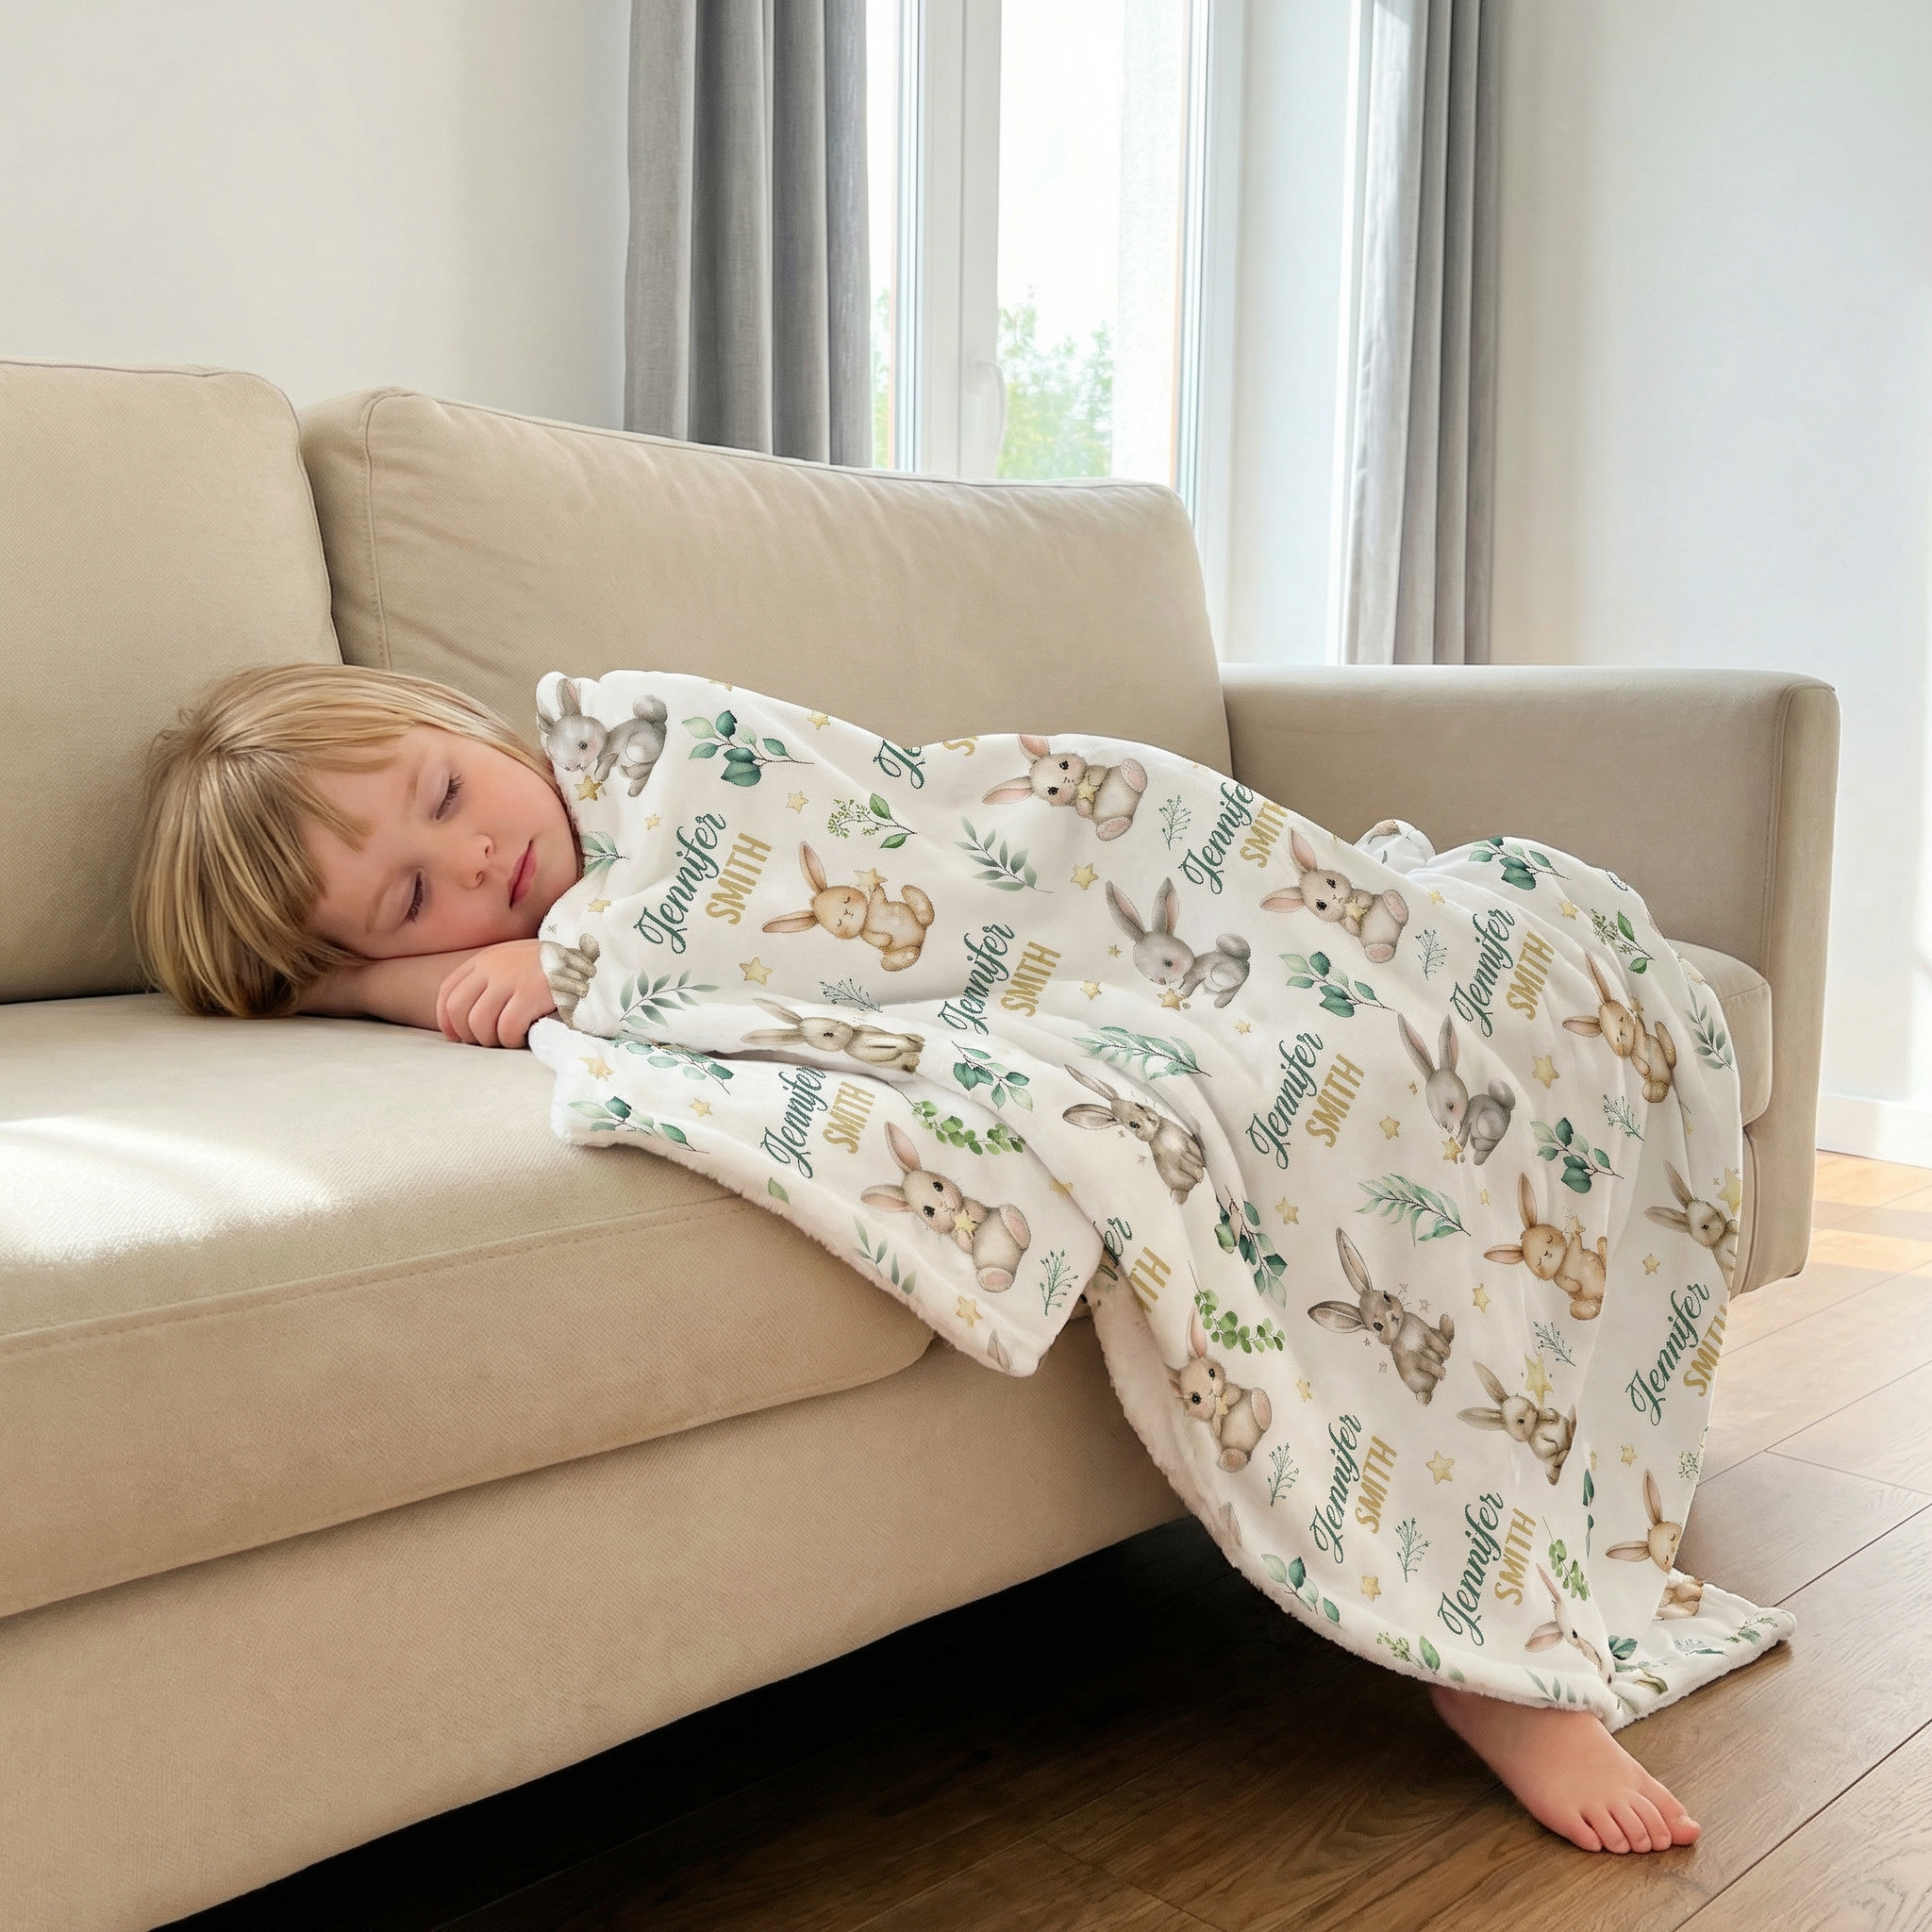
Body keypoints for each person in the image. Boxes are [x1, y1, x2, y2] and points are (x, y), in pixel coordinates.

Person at [131, 662, 1703, 1857]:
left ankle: (1496, 1601)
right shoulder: (501, 937)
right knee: (1324, 1090)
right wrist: (401, 990)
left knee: (1406, 1038)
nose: (475, 865)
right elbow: (635, 996)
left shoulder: (645, 746)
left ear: (466, 723)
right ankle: (1493, 1658)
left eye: (448, 792)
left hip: (1111, 870)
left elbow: (897, 851)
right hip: (1051, 961)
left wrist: (532, 954)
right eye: (408, 897)